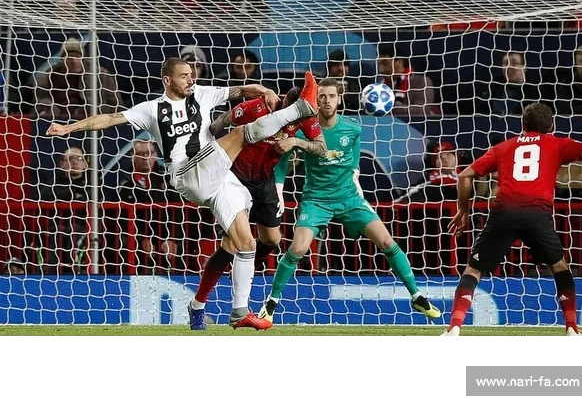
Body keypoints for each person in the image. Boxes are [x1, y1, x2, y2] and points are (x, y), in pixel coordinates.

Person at [46, 58, 319, 330]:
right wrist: (68, 128)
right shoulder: (152, 109)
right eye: (184, 76)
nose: (191, 79)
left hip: (219, 175)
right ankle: (298, 109)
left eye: (191, 74)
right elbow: (109, 119)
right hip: (188, 173)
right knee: (239, 134)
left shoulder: (202, 93)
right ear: (167, 80)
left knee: (246, 243)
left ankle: (238, 312)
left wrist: (263, 89)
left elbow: (239, 90)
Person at [258, 78, 442, 324]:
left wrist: (358, 194)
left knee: (387, 241)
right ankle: (271, 302)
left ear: (339, 99)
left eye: (331, 96)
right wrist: (279, 191)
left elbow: (354, 167)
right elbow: (281, 161)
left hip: (349, 198)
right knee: (298, 249)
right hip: (316, 200)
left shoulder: (352, 129)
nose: (327, 101)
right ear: (315, 100)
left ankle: (417, 296)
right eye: (322, 96)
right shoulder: (303, 129)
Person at [442, 103, 582, 337]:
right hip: (537, 215)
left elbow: (465, 175)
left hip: (504, 213)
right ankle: (572, 330)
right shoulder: (557, 144)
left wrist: (463, 210)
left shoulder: (503, 147)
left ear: (523, 125)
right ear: (551, 125)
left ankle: (453, 329)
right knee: (560, 268)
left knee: (474, 270)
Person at [188, 86, 327, 330]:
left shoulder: (304, 116)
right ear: (288, 104)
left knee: (272, 240)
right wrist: (207, 142)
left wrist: (295, 142)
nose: (301, 121)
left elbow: (321, 147)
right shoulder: (259, 107)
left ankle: (243, 264)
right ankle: (198, 306)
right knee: (230, 245)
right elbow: (223, 121)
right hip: (234, 179)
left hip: (264, 181)